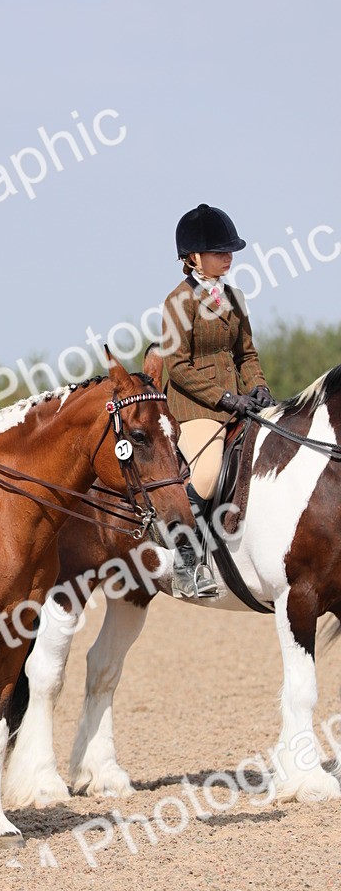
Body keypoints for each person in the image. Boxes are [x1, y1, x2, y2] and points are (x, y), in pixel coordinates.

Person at [161, 203, 272, 598]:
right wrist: (225, 398)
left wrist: (258, 387)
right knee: (206, 474)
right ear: (194, 257)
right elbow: (177, 367)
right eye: (219, 251)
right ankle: (186, 562)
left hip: (238, 402)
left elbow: (247, 355)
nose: (228, 257)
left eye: (229, 251)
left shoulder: (235, 296)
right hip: (196, 407)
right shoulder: (178, 302)